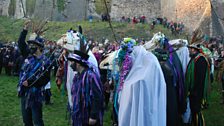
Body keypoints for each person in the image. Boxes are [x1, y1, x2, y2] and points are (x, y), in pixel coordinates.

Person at [17, 20, 51, 126]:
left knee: (37, 121)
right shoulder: (28, 55)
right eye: (30, 44)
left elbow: (44, 79)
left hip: (36, 95)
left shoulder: (46, 61)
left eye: (33, 44)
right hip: (24, 93)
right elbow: (21, 44)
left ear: (40, 47)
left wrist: (30, 82)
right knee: (26, 121)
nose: (31, 46)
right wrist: (24, 30)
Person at [67, 50, 104, 126]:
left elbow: (97, 97)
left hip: (88, 116)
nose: (70, 64)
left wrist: (93, 116)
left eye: (72, 62)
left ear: (78, 63)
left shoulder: (91, 77)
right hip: (79, 116)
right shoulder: (77, 76)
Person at [185, 44, 210, 126]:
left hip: (197, 92)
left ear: (195, 50)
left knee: (196, 110)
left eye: (191, 49)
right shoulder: (194, 59)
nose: (189, 50)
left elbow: (200, 80)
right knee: (193, 110)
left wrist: (194, 92)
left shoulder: (201, 60)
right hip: (193, 92)